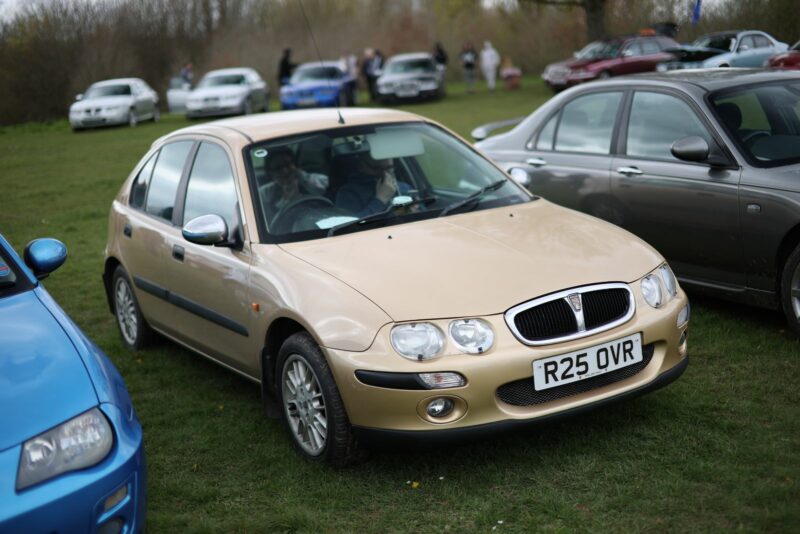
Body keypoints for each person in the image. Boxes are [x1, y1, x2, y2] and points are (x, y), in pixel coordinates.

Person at [260, 147, 328, 224]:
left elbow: (325, 192)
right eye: (278, 168)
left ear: (295, 165)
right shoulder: (264, 193)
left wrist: (303, 179)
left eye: (287, 164)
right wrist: (286, 201)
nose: (285, 171)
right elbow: (268, 223)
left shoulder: (318, 179)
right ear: (270, 173)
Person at [335, 153, 410, 217]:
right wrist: (381, 200)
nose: (385, 174)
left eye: (389, 168)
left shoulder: (403, 188)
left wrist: (409, 211)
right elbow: (350, 227)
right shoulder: (348, 193)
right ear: (361, 166)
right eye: (377, 168)